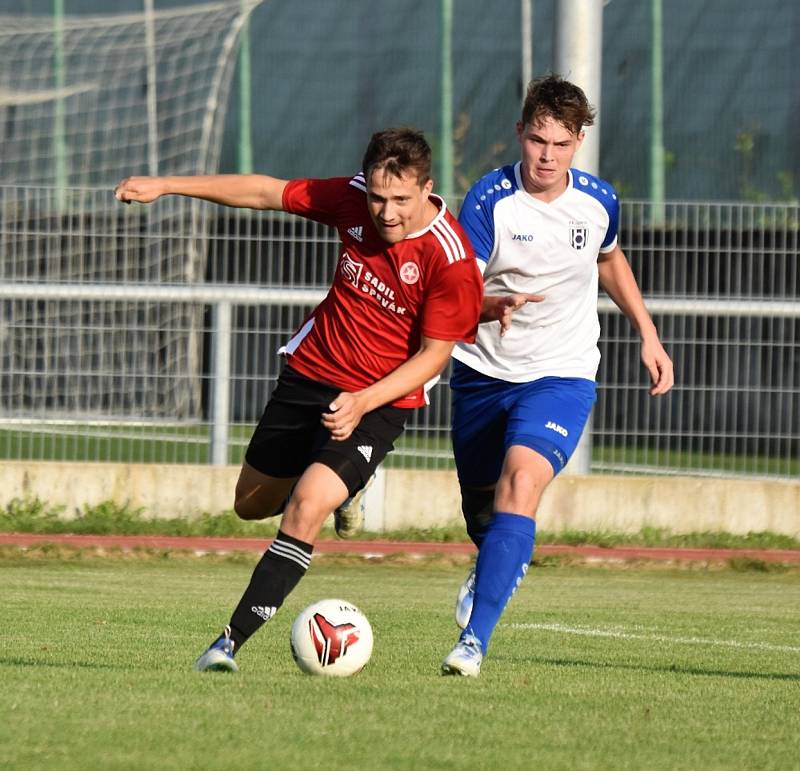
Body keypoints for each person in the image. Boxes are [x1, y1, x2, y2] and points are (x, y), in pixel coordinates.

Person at [115, 128, 483, 673]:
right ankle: (348, 491)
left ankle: (227, 643)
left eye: (401, 200)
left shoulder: (450, 259)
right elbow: (266, 192)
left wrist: (362, 402)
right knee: (250, 505)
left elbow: (432, 358)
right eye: (378, 198)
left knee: (305, 505)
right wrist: (168, 185)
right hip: (309, 376)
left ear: (427, 188)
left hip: (379, 403)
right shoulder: (352, 198)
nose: (386, 212)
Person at [441, 75, 674, 677]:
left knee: (522, 483)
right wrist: (488, 307)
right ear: (520, 133)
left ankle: (473, 643)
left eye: (561, 144)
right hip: (482, 372)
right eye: (538, 140)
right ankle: (490, 562)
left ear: (579, 144)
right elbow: (460, 286)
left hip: (563, 374)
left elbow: (609, 258)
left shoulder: (599, 201)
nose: (547, 156)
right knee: (483, 513)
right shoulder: (489, 200)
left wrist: (647, 332)